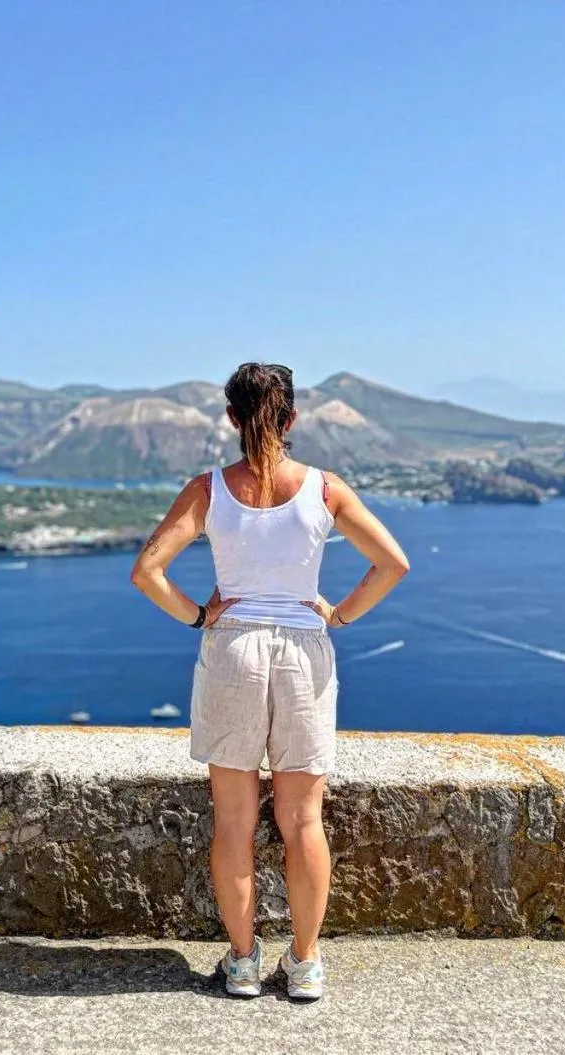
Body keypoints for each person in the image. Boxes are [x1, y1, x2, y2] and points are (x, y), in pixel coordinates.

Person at [130, 362, 409, 1001]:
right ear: (292, 419)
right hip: (304, 652)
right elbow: (392, 562)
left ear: (232, 418)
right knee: (302, 819)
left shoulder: (208, 490)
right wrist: (338, 613)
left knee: (233, 822)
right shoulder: (325, 489)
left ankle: (243, 961)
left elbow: (147, 571)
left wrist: (199, 613)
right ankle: (305, 964)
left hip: (232, 649)